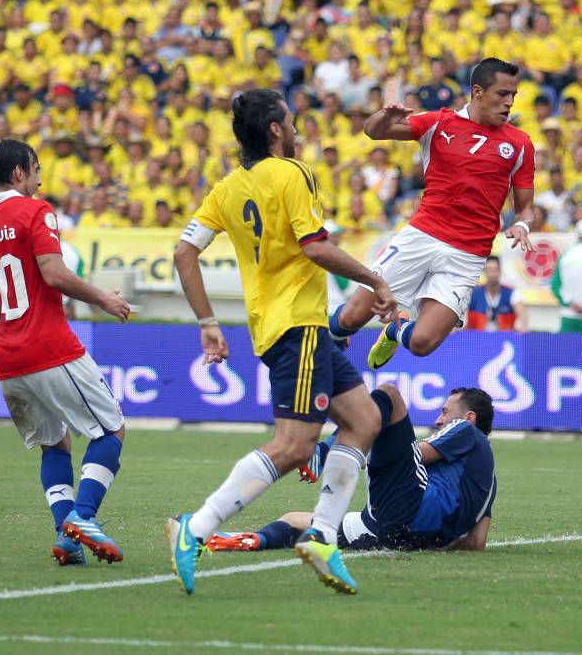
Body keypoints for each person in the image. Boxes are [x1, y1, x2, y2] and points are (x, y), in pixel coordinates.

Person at [169, 88, 398, 596]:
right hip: (297, 325)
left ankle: (321, 535)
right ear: (275, 130)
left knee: (365, 420)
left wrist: (208, 321)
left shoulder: (226, 188)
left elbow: (184, 253)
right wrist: (373, 280)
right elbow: (313, 244)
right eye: (290, 122)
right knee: (295, 446)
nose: (295, 129)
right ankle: (198, 527)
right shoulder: (291, 172)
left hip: (286, 326)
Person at [0, 139, 133, 567]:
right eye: (35, 169)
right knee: (111, 430)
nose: (40, 178)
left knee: (55, 443)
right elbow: (53, 272)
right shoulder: (35, 211)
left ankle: (66, 538)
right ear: (18, 173)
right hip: (51, 348)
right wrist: (103, 299)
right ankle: (83, 518)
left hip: (8, 361)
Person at [328, 58, 536, 370]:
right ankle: (330, 338)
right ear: (477, 92)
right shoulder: (440, 122)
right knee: (352, 317)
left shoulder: (519, 144)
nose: (509, 102)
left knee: (423, 343)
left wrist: (521, 224)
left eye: (513, 96)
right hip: (422, 236)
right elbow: (374, 133)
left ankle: (396, 330)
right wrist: (385, 116)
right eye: (502, 94)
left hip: (468, 254)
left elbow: (526, 206)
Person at [208, 383, 496, 553]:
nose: (439, 420)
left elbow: (417, 454)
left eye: (445, 411)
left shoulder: (466, 431)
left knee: (389, 395)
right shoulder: (491, 485)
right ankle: (253, 540)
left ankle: (323, 450)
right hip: (397, 534)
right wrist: (428, 542)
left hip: (407, 507)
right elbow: (476, 542)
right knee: (296, 520)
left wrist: (372, 444)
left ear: (468, 417)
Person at [466, 255, 527, 332]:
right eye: (489, 270)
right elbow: (463, 320)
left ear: (500, 271)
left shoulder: (512, 293)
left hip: (504, 340)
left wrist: (521, 325)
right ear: (484, 271)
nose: (492, 274)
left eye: (495, 270)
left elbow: (522, 318)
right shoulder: (473, 293)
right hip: (477, 339)